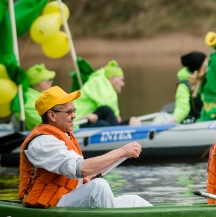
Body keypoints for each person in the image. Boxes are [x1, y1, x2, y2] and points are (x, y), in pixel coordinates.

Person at [18, 86, 152, 208]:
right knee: (98, 187)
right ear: (52, 115)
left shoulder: (64, 135)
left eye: (74, 110)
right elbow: (81, 169)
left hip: (65, 197)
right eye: (69, 112)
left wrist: (86, 179)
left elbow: (82, 174)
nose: (74, 116)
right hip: (46, 205)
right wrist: (122, 151)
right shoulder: (42, 143)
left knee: (135, 201)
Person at [19, 64, 96, 130]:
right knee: (102, 119)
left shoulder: (44, 96)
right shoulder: (30, 101)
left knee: (104, 110)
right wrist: (81, 119)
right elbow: (48, 121)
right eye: (49, 80)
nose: (51, 82)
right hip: (67, 127)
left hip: (71, 125)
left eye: (73, 111)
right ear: (41, 84)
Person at [75, 60, 140, 127]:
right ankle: (120, 129)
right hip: (77, 123)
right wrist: (117, 116)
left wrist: (128, 121)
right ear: (111, 78)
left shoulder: (103, 84)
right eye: (121, 80)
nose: (123, 84)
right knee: (105, 113)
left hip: (89, 119)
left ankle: (127, 124)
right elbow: (106, 103)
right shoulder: (98, 82)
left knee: (105, 120)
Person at [172, 51, 207, 123]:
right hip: (192, 124)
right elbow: (182, 108)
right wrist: (174, 120)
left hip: (206, 121)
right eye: (205, 64)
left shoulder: (205, 82)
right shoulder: (183, 86)